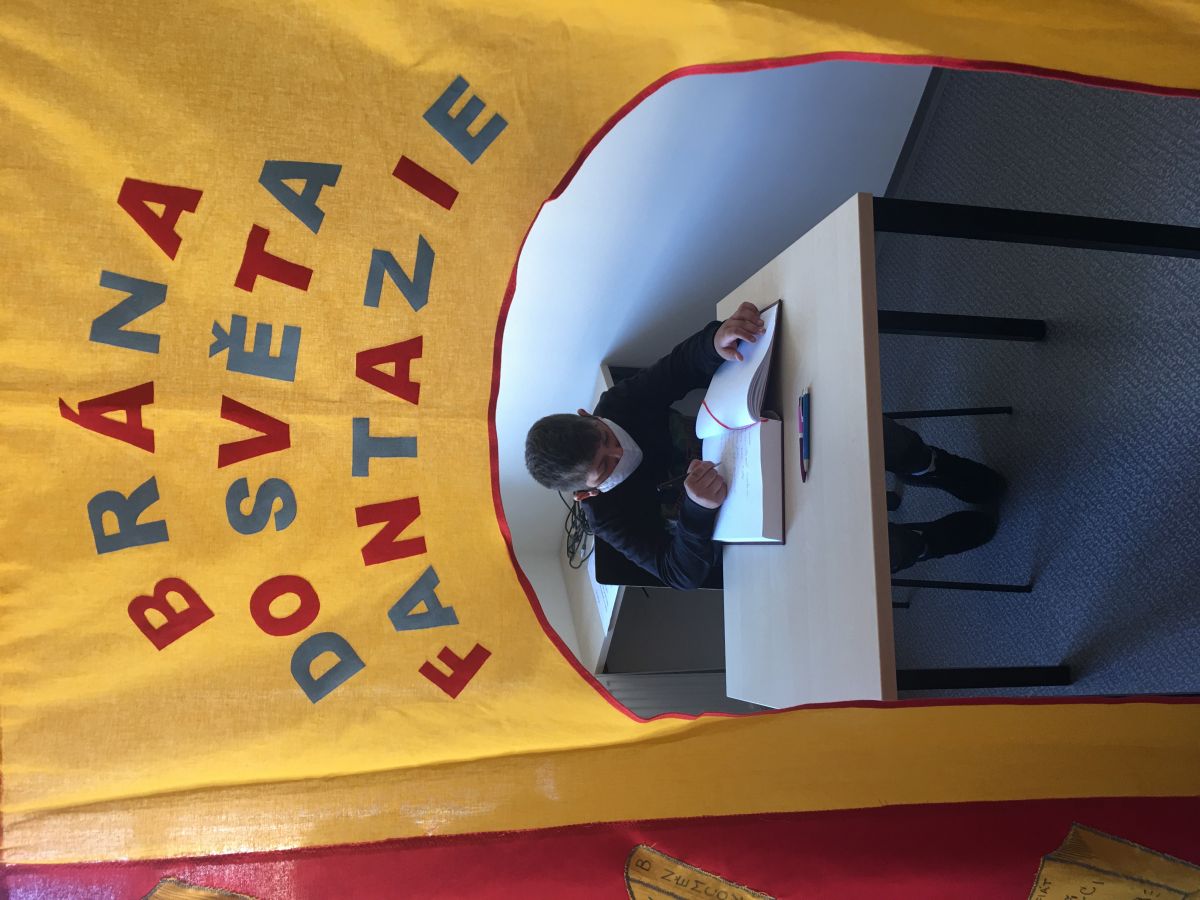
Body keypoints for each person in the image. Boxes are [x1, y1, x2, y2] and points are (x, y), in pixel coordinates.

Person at [524, 302, 1006, 590]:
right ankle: (925, 542)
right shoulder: (606, 516)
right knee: (866, 553)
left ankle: (927, 465)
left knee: (868, 431)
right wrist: (696, 511)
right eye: (605, 467)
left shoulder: (617, 405)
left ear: (590, 416)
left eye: (607, 440)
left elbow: (677, 368)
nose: (618, 453)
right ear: (586, 492)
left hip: (757, 440)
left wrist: (714, 342)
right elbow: (679, 574)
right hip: (757, 520)